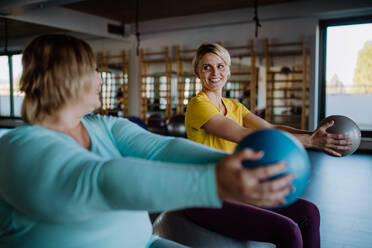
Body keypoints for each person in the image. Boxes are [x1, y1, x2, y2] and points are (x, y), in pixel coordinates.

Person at [0, 34, 294, 248]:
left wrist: (239, 167)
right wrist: (214, 182)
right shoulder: (19, 149)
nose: (100, 79)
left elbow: (162, 147)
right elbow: (101, 181)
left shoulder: (102, 126)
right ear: (66, 78)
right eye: (92, 71)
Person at [184, 43, 352, 248]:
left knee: (309, 213)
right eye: (206, 67)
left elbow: (270, 128)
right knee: (288, 231)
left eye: (220, 66)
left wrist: (314, 135)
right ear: (197, 72)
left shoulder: (233, 105)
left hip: (237, 187)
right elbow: (245, 136)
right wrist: (311, 142)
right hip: (209, 195)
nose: (215, 73)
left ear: (228, 69)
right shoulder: (198, 105)